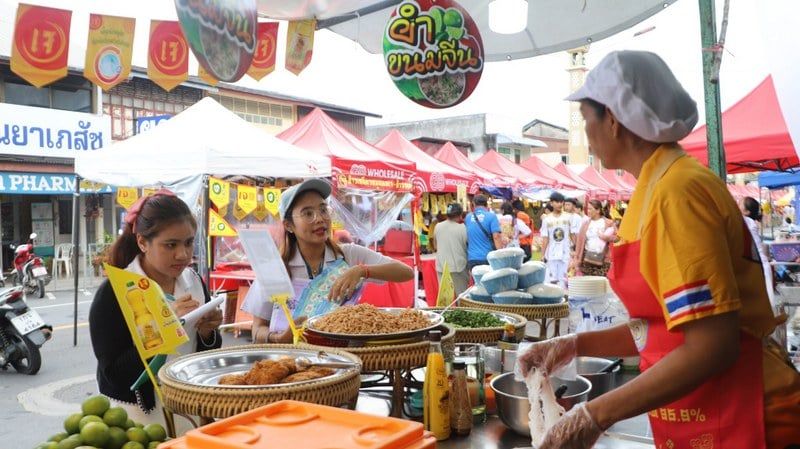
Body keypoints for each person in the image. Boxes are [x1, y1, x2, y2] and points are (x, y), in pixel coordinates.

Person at [518, 50, 800, 449]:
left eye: (586, 120)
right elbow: (659, 330)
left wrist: (595, 415)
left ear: (613, 121)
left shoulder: (676, 193)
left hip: (751, 417)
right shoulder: (653, 190)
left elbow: (713, 345)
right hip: (707, 416)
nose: (585, 134)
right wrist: (575, 344)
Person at [89, 190, 222, 424]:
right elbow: (114, 374)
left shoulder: (193, 280)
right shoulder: (115, 292)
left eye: (189, 242)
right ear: (142, 241)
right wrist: (163, 326)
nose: (182, 254)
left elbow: (203, 354)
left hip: (189, 409)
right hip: (137, 418)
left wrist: (207, 333)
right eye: (170, 245)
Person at [241, 179, 414, 344]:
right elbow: (257, 329)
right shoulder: (274, 268)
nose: (319, 218)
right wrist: (279, 338)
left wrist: (362, 271)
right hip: (290, 363)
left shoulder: (349, 255)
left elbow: (405, 272)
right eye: (308, 213)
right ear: (288, 225)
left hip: (342, 361)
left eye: (323, 209)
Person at [742, 196, 776, 310]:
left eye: (740, 204)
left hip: (759, 264)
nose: (737, 205)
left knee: (763, 301)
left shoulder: (746, 221)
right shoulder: (749, 221)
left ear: (746, 212)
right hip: (760, 263)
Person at [540, 191, 576, 288]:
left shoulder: (568, 217)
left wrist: (576, 249)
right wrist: (542, 254)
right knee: (552, 279)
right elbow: (545, 238)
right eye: (557, 202)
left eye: (561, 202)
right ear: (551, 203)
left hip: (565, 252)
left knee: (564, 278)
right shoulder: (547, 219)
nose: (560, 204)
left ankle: (564, 299)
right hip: (551, 252)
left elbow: (572, 234)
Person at [572, 199, 616, 277]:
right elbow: (579, 242)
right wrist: (576, 258)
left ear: (598, 210)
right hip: (587, 258)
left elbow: (617, 238)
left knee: (600, 284)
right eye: (587, 209)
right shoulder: (585, 224)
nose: (588, 211)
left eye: (590, 209)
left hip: (603, 260)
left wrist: (606, 238)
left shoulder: (608, 223)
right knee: (589, 284)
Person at [433, 203, 469, 296]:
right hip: (459, 267)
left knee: (444, 298)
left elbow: (435, 246)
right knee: (461, 297)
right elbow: (467, 246)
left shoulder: (438, 226)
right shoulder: (463, 228)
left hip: (442, 267)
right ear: (460, 215)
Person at [465, 194, 503, 271]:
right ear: (486, 204)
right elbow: (496, 237)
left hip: (472, 258)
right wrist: (500, 254)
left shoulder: (468, 217)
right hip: (488, 257)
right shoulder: (491, 216)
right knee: (489, 282)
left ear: (474, 204)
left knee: (477, 282)